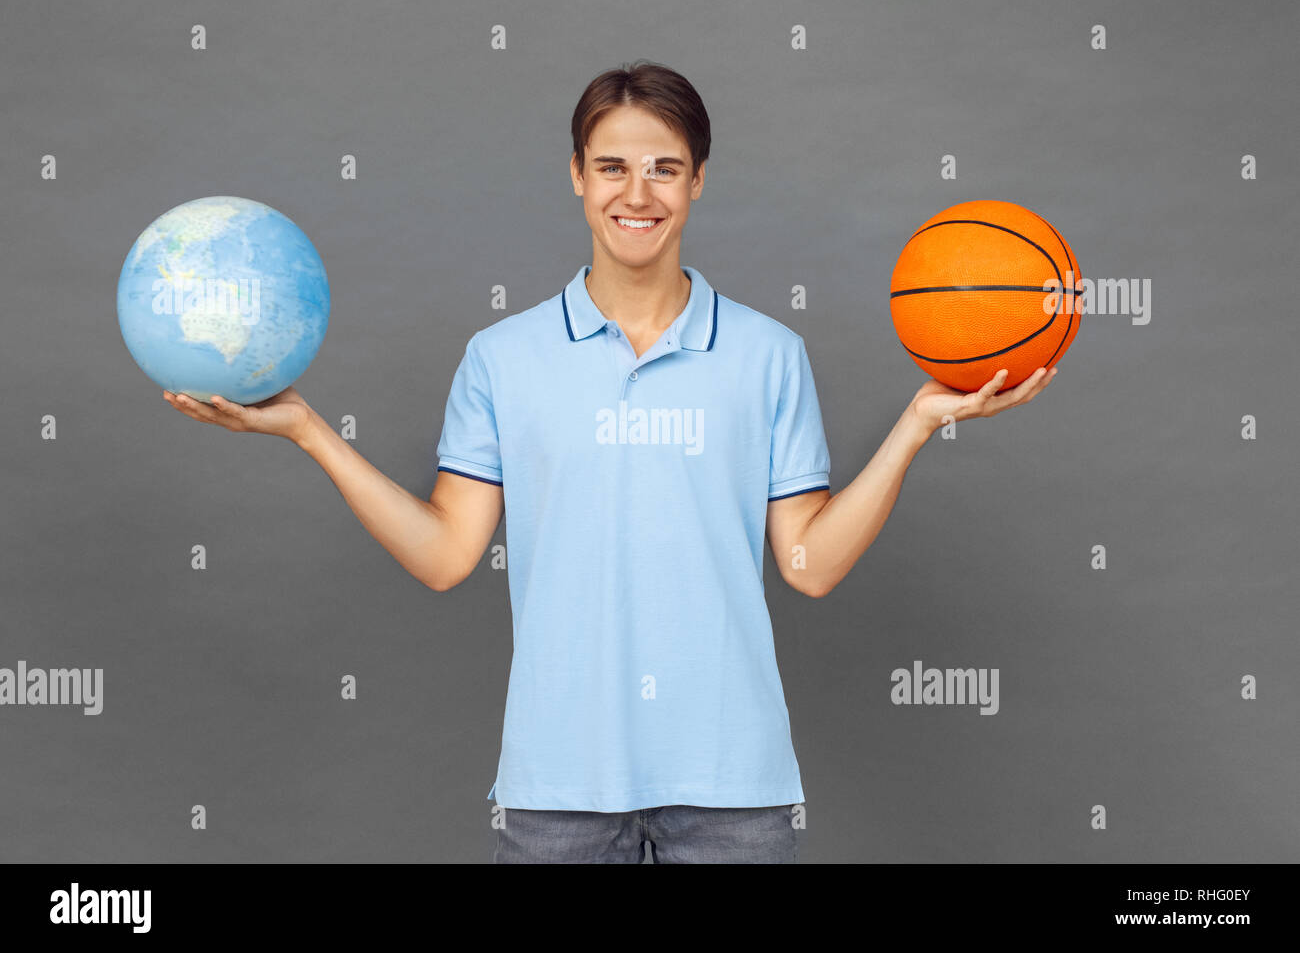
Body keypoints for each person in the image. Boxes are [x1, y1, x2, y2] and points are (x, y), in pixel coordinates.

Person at [163, 60, 1055, 863]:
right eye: (613, 166)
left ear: (699, 180)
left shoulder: (767, 354)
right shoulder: (502, 358)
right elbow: (445, 556)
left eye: (665, 167)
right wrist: (312, 432)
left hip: (733, 794)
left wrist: (914, 426)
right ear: (579, 180)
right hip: (556, 800)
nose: (639, 192)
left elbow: (809, 567)